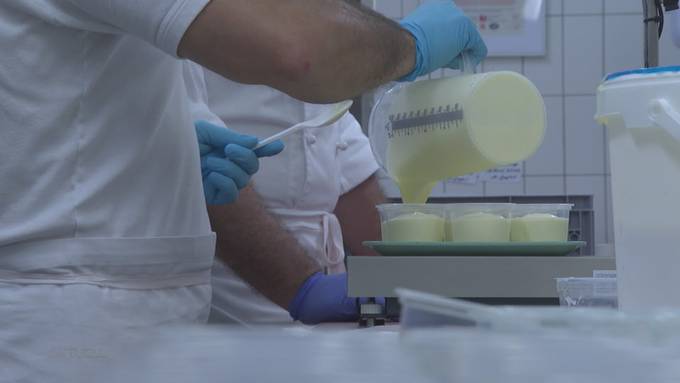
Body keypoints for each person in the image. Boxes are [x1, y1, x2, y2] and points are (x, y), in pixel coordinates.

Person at [0, 0, 485, 369]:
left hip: (121, 313)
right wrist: (409, 45)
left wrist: (178, 141)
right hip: (74, 324)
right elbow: (301, 53)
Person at [190, 65, 385, 324]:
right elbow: (210, 175)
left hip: (323, 313)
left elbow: (349, 165)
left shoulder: (319, 70)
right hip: (234, 309)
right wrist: (303, 289)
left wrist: (408, 283)